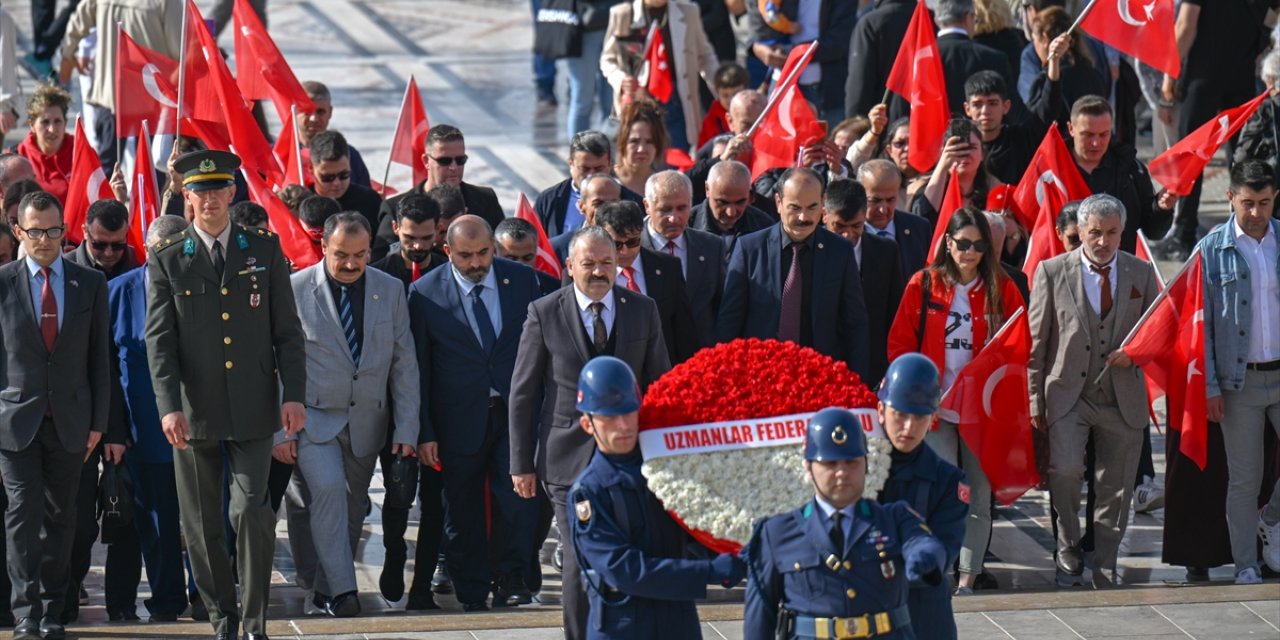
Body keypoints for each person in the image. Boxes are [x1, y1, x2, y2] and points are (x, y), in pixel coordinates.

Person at [144, 150, 307, 640]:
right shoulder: (169, 258)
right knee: (200, 525)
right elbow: (159, 340)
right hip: (194, 412)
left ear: (233, 193)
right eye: (200, 190)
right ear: (186, 197)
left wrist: (293, 395)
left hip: (254, 407)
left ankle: (255, 621)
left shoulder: (264, 249)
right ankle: (223, 617)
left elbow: (288, 333)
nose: (210, 198)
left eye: (218, 189)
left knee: (252, 511)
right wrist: (168, 405)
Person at [509, 226, 671, 640]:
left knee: (628, 553)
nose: (598, 272)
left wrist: (665, 453)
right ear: (569, 266)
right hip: (565, 461)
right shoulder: (543, 312)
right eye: (589, 264)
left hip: (629, 459)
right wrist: (520, 464)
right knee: (580, 556)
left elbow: (660, 386)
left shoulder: (642, 309)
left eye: (606, 263)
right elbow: (523, 393)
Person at [282, 213, 419, 617]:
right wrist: (280, 432)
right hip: (312, 420)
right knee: (326, 491)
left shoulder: (390, 290)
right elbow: (276, 363)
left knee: (353, 505)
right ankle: (344, 592)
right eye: (341, 254)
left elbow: (404, 362)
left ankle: (324, 590)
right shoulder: (294, 289)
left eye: (360, 255)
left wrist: (408, 427)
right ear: (324, 246)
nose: (350, 264)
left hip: (367, 423)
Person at [887, 207, 1024, 594]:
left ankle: (968, 575)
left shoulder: (1002, 286)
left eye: (978, 245)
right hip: (935, 410)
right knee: (941, 489)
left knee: (978, 493)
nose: (969, 252)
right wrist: (914, 393)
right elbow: (899, 343)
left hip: (981, 411)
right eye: (962, 244)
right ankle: (939, 569)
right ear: (948, 243)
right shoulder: (924, 284)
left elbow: (1019, 343)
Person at [411, 215, 544, 610]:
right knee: (462, 507)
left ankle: (511, 578)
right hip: (456, 418)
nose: (476, 263)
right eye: (465, 255)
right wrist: (424, 430)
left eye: (484, 253)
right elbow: (417, 367)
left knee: (518, 496)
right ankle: (471, 588)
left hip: (513, 413)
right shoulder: (424, 292)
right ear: (447, 251)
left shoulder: (521, 281)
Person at [1028, 193, 1160, 589]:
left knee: (1115, 487)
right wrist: (1034, 397)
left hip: (1122, 398)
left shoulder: (1141, 273)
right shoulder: (1051, 272)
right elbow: (1036, 343)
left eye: (1112, 233)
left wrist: (1135, 354)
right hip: (1068, 394)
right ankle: (1068, 544)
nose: (1102, 241)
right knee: (1064, 472)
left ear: (1122, 232)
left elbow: (1156, 332)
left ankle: (1105, 561)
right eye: (1095, 233)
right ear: (1080, 231)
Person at [0, 191, 111, 640]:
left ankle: (52, 612)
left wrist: (99, 423)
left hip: (71, 423)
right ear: (18, 231)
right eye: (34, 231)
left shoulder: (90, 283)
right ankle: (26, 614)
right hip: (15, 423)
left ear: (65, 231)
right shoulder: (3, 282)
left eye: (52, 230)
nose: (43, 240)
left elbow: (100, 360)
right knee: (22, 517)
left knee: (62, 520)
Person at [570, 355, 745, 638]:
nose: (625, 426)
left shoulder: (666, 467)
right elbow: (624, 570)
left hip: (677, 618)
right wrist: (709, 571)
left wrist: (734, 545)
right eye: (610, 418)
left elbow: (697, 523)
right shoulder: (588, 493)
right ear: (588, 424)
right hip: (624, 624)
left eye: (629, 412)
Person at [742, 407, 948, 640]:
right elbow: (759, 623)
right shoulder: (776, 533)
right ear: (808, 468)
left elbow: (922, 542)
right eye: (830, 463)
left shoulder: (894, 518)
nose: (842, 472)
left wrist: (926, 558)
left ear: (866, 465)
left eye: (851, 462)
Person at [107, 214, 193, 624]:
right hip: (145, 431)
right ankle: (166, 600)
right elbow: (104, 368)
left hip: (201, 430)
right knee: (157, 523)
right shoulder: (116, 294)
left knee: (206, 521)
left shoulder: (208, 286)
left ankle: (208, 595)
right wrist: (114, 431)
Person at [1197, 160, 1280, 584]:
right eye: (1247, 203)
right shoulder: (1211, 248)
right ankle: (1246, 563)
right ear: (1230, 198)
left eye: (1264, 203)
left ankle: (1272, 517)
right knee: (1244, 478)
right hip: (1238, 381)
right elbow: (1201, 324)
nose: (1255, 213)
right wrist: (1210, 386)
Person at [60, 199, 138, 623]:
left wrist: (113, 430)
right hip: (69, 421)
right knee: (70, 524)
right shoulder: (66, 273)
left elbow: (112, 364)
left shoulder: (135, 271)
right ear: (84, 234)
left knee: (106, 523)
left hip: (112, 423)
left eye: (117, 246)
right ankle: (64, 600)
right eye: (100, 246)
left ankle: (107, 601)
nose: (109, 255)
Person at [718, 167, 870, 376]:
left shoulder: (840, 252)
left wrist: (856, 383)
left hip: (819, 376)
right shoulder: (749, 249)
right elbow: (730, 322)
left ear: (823, 203)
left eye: (812, 207)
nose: (803, 217)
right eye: (795, 207)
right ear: (778, 203)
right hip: (760, 375)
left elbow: (855, 323)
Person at [1157, 0, 1267, 260]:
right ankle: (1245, 231)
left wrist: (1167, 79)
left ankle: (1183, 234)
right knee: (1241, 158)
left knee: (1191, 158)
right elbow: (1272, 14)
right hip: (1241, 73)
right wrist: (1259, 48)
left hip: (1202, 75)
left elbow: (1185, 25)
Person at [876, 354, 969, 640]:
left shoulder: (949, 482)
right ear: (881, 410)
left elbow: (939, 557)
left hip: (922, 618)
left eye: (919, 417)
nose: (908, 427)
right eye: (899, 414)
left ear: (933, 418)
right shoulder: (855, 472)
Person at [601, 0, 719, 152]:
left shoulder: (689, 11)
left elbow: (705, 55)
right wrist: (621, 79)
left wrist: (721, 89)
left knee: (676, 159)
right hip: (639, 102)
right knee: (640, 157)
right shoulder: (623, 14)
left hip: (678, 100)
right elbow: (608, 59)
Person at [374, 125, 505, 259]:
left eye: (460, 160)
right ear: (426, 161)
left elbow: (503, 249)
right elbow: (380, 263)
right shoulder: (394, 207)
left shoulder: (486, 199)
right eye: (444, 161)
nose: (454, 167)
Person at [1067, 95, 1177, 254]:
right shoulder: (1053, 172)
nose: (1096, 143)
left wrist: (1161, 208)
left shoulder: (1130, 170)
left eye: (1103, 134)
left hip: (1119, 272)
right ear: (1071, 129)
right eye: (1088, 135)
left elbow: (1152, 232)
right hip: (1068, 273)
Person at [596, 200, 698, 364]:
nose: (625, 251)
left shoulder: (668, 268)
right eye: (616, 244)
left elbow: (683, 332)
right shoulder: (587, 275)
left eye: (632, 242)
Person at [823, 178, 903, 385]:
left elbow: (894, 315)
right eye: (839, 226)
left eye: (856, 226)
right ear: (825, 215)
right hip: (823, 365)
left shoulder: (886, 251)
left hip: (872, 369)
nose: (848, 234)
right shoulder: (811, 252)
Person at [640, 170, 724, 347]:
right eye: (665, 209)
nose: (674, 217)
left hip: (701, 359)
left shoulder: (711, 246)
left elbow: (721, 307)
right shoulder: (630, 248)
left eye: (682, 208)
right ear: (647, 206)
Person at [746, 0, 857, 124]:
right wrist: (758, 47)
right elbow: (757, 29)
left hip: (826, 91)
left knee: (828, 141)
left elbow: (840, 40)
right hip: (782, 84)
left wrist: (791, 53)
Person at [535, 131, 641, 238]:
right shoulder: (548, 201)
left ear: (609, 163)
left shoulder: (633, 201)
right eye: (584, 168)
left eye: (599, 169)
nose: (591, 174)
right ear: (571, 163)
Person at [932, 0, 1019, 117]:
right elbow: (1013, 112)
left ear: (937, 20)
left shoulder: (918, 58)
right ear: (969, 17)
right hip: (979, 132)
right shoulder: (993, 58)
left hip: (930, 131)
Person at [912, 118, 1005, 227]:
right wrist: (943, 167)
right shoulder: (923, 188)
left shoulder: (995, 190)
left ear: (982, 154)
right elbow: (922, 220)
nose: (965, 154)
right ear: (944, 153)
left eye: (971, 147)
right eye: (958, 148)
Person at [857, 159, 932, 278]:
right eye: (875, 201)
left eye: (890, 200)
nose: (883, 209)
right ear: (860, 195)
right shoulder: (848, 233)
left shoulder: (920, 229)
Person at [844, 0, 915, 121]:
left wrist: (854, 125)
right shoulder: (932, 21)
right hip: (926, 119)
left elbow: (860, 83)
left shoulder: (871, 23)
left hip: (882, 123)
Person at [295, 81, 373, 189]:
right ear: (295, 112)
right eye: (307, 112)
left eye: (320, 111)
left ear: (330, 112)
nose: (314, 118)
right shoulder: (282, 156)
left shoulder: (349, 155)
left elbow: (364, 198)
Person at [688, 160, 774, 259]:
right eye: (722, 202)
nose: (731, 212)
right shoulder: (687, 226)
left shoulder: (764, 228)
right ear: (707, 189)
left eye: (740, 202)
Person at [308, 130, 382, 230]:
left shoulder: (370, 201)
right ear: (311, 169)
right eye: (327, 177)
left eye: (344, 175)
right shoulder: (302, 203)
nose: (336, 183)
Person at [370, 193, 446, 288]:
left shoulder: (451, 274)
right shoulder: (375, 275)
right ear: (395, 227)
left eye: (426, 238)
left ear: (438, 229)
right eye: (410, 237)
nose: (418, 246)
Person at [15, 84, 74, 206]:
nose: (52, 129)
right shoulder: (15, 158)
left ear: (65, 123)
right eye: (45, 122)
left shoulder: (81, 153)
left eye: (58, 121)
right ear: (32, 125)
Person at [66, 199, 140, 278]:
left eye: (117, 245)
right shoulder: (64, 269)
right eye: (100, 245)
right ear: (85, 232)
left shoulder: (140, 262)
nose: (108, 253)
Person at [611, 101, 670, 197]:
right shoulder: (607, 181)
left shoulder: (662, 186)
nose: (641, 149)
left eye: (649, 142)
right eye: (634, 141)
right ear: (622, 141)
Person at [495, 217, 563, 295]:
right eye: (512, 259)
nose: (520, 265)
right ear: (495, 252)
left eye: (527, 258)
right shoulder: (483, 289)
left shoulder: (555, 289)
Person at [697, 62, 747, 149]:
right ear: (717, 93)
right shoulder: (710, 121)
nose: (731, 100)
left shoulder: (753, 113)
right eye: (725, 95)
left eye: (735, 94)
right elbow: (703, 151)